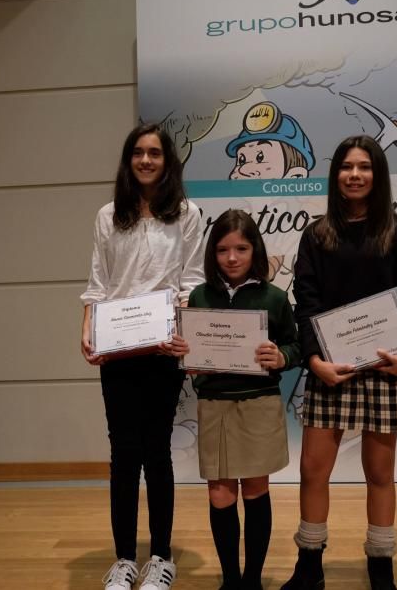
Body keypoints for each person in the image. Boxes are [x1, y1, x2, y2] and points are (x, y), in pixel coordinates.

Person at [282, 135, 397, 590]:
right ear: (335, 176)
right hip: (332, 369)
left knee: (380, 472)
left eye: (364, 167)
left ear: (378, 174)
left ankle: (381, 564)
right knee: (312, 469)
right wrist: (314, 360)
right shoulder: (316, 235)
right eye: (346, 167)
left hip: (388, 367)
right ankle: (309, 564)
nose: (354, 174)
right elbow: (305, 303)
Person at [80, 123, 206, 590]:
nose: (146, 160)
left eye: (155, 153)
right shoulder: (108, 215)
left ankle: (160, 557)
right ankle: (122, 560)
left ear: (168, 160)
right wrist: (87, 331)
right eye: (138, 152)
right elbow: (97, 284)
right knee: (122, 454)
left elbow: (192, 282)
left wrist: (183, 335)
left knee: (157, 452)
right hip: (116, 348)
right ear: (128, 160)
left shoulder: (187, 214)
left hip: (162, 348)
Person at [170, 209, 301, 590]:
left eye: (241, 248)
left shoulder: (274, 297)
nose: (231, 257)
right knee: (221, 491)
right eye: (223, 249)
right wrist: (184, 351)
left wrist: (282, 356)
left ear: (254, 249)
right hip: (215, 404)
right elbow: (188, 350)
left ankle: (253, 581)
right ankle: (231, 581)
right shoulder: (199, 295)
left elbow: (294, 343)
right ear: (212, 253)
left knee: (257, 488)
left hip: (259, 401)